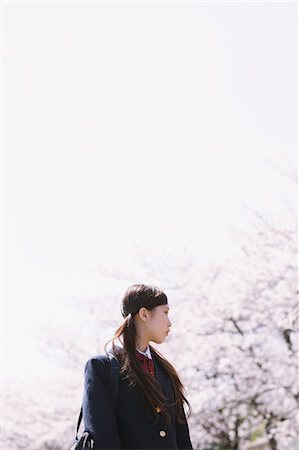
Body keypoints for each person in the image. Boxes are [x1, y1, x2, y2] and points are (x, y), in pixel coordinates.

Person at [82, 283, 193, 449]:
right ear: (144, 314)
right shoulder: (102, 368)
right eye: (165, 312)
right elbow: (102, 438)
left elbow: (183, 440)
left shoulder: (166, 372)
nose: (170, 323)